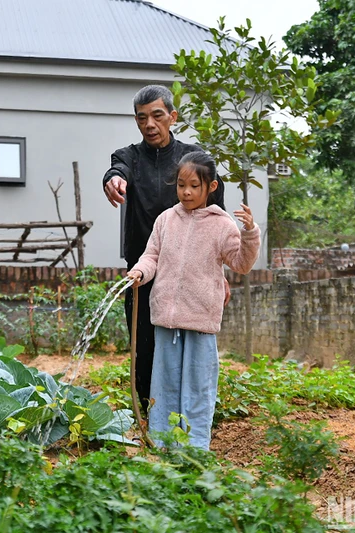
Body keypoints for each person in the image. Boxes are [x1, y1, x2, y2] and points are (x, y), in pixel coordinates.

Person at [102, 85, 227, 410]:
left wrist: (221, 272)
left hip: (191, 272)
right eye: (142, 118)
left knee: (189, 345)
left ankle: (190, 413)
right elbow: (118, 169)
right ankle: (149, 412)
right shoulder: (128, 156)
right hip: (143, 270)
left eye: (157, 116)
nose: (150, 124)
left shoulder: (192, 159)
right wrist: (113, 179)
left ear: (172, 116)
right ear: (136, 121)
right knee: (144, 345)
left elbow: (217, 216)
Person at [126, 151, 260, 450]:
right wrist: (139, 272)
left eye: (194, 186)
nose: (186, 192)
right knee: (165, 384)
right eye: (181, 185)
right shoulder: (165, 220)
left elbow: (241, 263)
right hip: (166, 319)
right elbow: (152, 256)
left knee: (198, 388)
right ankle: (162, 442)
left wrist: (249, 233)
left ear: (210, 187)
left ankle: (195, 447)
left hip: (200, 320)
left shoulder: (222, 225)